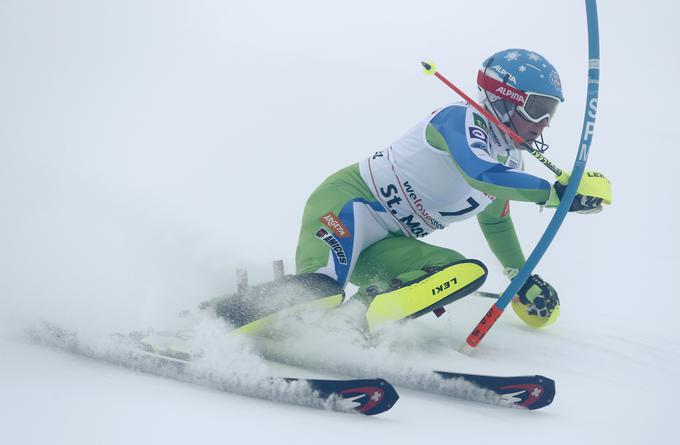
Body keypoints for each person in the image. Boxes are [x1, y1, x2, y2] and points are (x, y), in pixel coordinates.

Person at [212, 49, 611, 334]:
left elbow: (498, 224)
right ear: (504, 99)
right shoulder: (458, 120)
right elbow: (479, 174)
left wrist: (519, 278)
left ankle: (350, 325)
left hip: (389, 244)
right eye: (537, 108)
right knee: (319, 290)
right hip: (347, 209)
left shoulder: (511, 165)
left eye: (551, 112)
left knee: (462, 272)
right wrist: (557, 193)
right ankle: (204, 322)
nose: (543, 123)